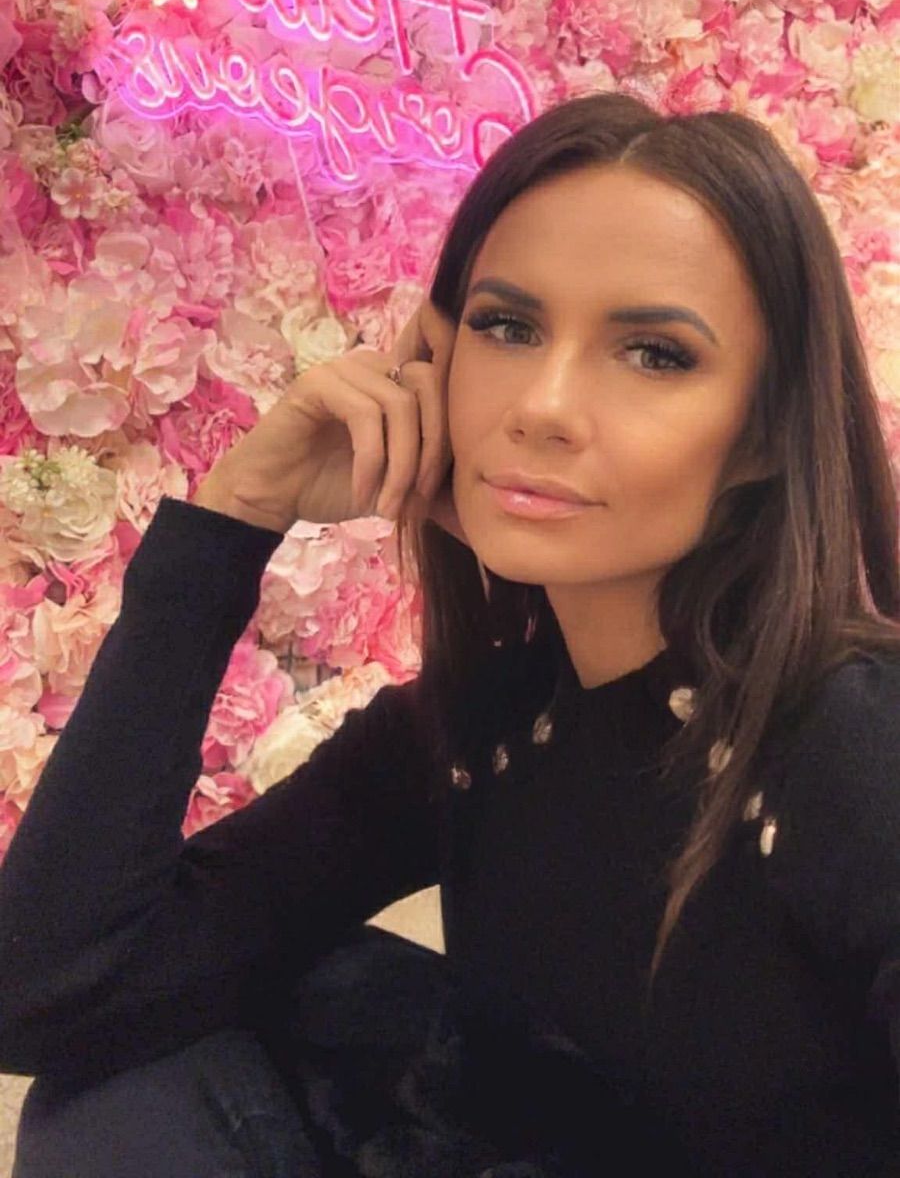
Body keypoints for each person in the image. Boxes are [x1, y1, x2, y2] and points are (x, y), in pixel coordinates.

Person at [1, 91, 899, 1176]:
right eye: (507, 328)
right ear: (431, 363)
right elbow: (50, 995)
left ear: (764, 433)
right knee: (115, 1091)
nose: (544, 406)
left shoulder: (851, 741)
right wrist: (233, 519)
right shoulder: (483, 726)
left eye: (655, 354)